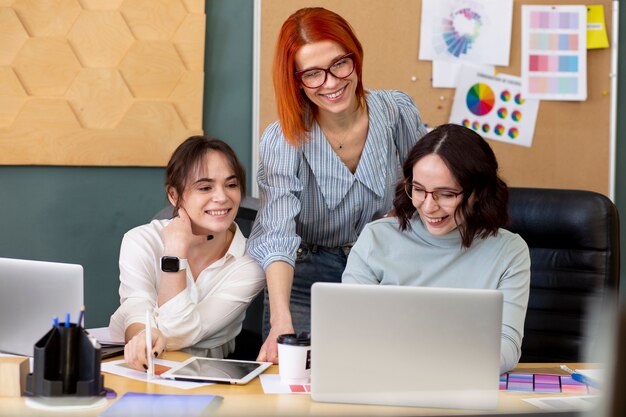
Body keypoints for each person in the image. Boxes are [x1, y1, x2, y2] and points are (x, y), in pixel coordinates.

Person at [246, 7, 428, 363]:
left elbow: (425, 188)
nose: (330, 83)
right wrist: (281, 320)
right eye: (312, 73)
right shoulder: (284, 139)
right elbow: (277, 235)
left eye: (339, 64)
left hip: (384, 265)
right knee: (301, 380)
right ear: (296, 80)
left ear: (354, 56)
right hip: (306, 275)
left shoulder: (395, 111)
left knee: (387, 374)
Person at [342, 124, 531, 374]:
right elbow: (349, 336)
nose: (429, 207)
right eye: (418, 190)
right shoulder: (375, 239)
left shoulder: (509, 251)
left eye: (446, 194)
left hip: (463, 387)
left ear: (479, 192)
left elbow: (506, 349)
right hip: (387, 384)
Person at [109, 136, 265, 371]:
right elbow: (135, 308)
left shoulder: (252, 262)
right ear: (174, 195)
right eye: (205, 187)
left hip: (211, 374)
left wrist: (174, 254)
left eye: (231, 185)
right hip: (139, 367)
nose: (222, 197)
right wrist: (142, 337)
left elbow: (178, 331)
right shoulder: (141, 241)